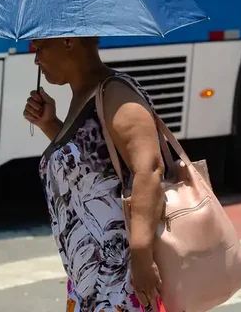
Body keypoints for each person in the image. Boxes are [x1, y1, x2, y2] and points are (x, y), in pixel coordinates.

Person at [23, 36, 167, 312]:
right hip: (90, 281)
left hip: (121, 277)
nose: (36, 59)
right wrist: (49, 124)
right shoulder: (84, 95)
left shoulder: (116, 93)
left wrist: (141, 255)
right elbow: (92, 170)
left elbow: (148, 169)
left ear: (68, 41)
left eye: (40, 48)